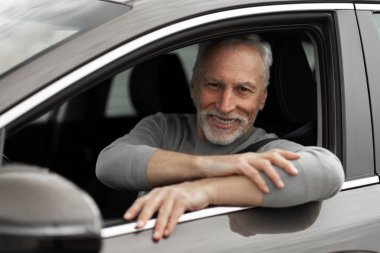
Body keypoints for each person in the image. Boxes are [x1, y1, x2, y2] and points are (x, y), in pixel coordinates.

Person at [96, 34, 344, 241]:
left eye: (243, 89)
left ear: (262, 99)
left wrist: (206, 190)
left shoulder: (266, 148)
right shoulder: (162, 127)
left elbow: (329, 172)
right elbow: (109, 163)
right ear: (194, 86)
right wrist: (212, 165)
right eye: (214, 85)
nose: (225, 106)